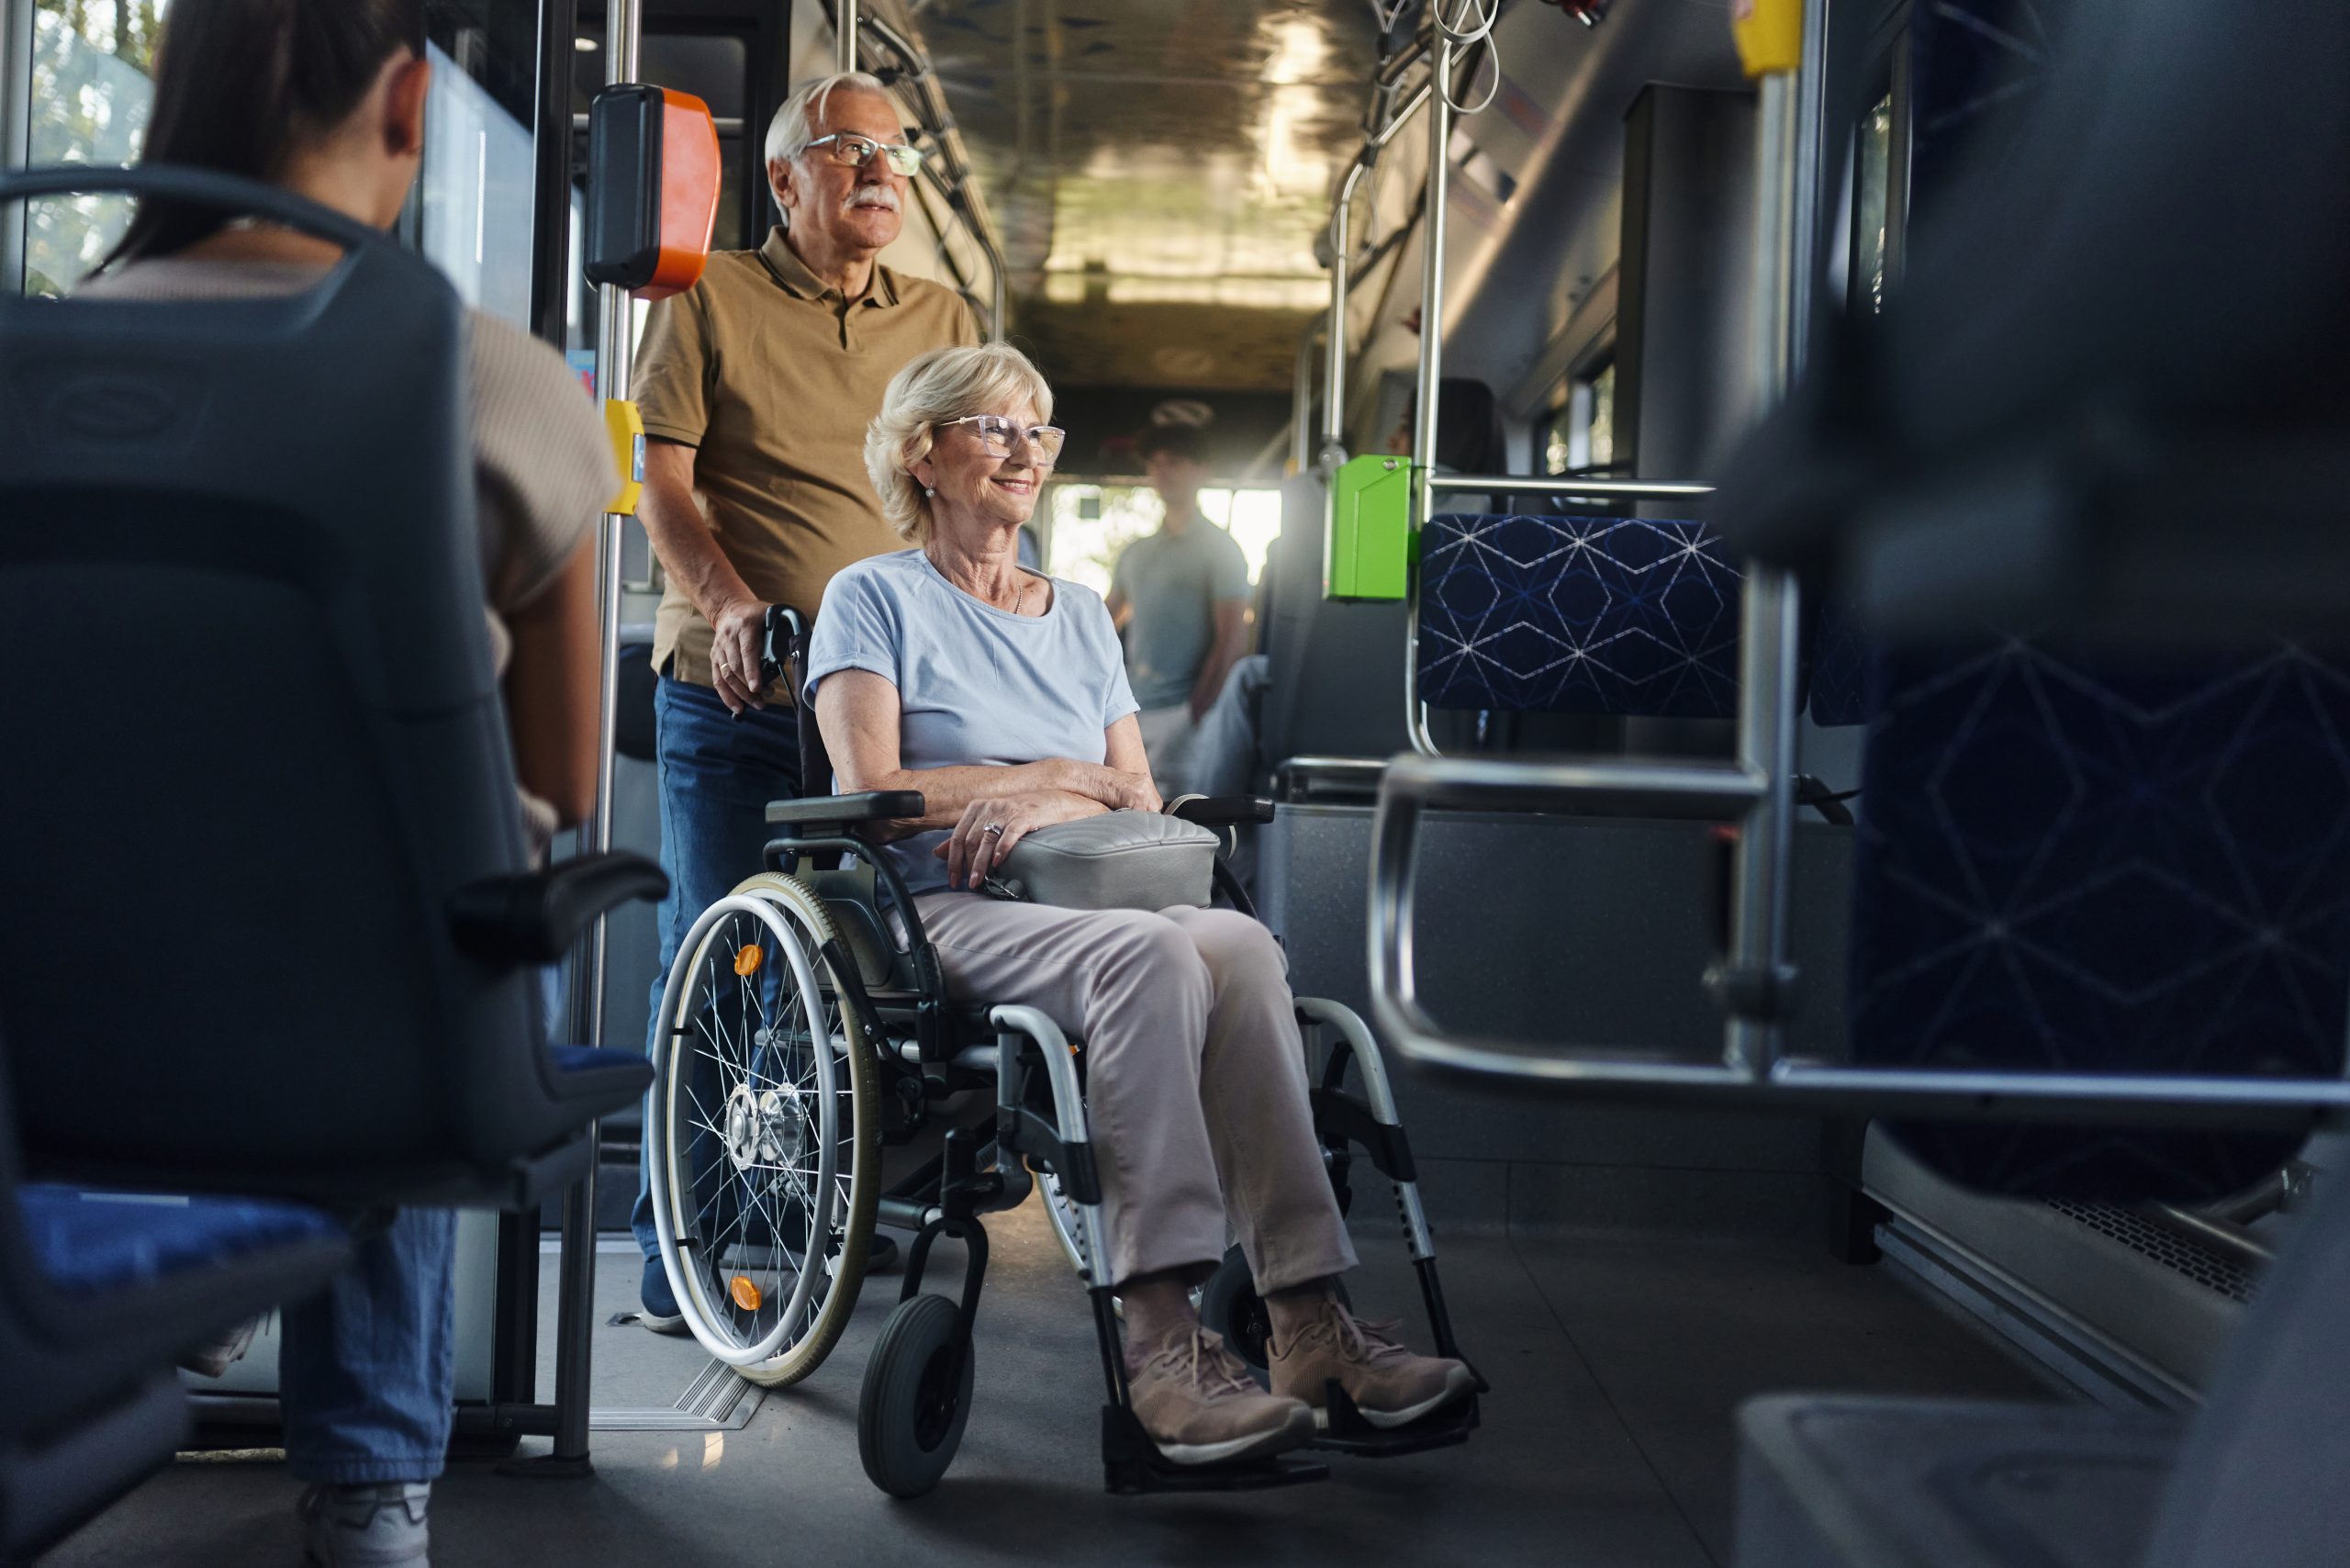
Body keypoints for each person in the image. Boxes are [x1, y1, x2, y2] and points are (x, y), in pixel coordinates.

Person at [80, 1, 613, 1562]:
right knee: (409, 902)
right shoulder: (492, 384)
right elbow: (563, 773)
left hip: (62, 994)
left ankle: (188, 1246)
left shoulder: (34, 359)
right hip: (363, 1012)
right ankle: (370, 1479)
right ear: (406, 108)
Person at [807, 343, 1476, 1464]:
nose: (1025, 452)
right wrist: (1036, 783)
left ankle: (1308, 1319)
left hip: (1091, 888)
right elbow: (872, 794)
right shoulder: (869, 598)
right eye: (994, 428)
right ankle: (1161, 1337)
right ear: (923, 454)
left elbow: (1136, 792)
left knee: (1240, 945)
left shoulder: (1074, 613)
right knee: (1150, 960)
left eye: (1039, 431)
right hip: (942, 907)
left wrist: (1048, 798)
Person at [627, 70, 978, 1323]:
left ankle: (799, 1216)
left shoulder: (939, 314)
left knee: (835, 983)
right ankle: (681, 1240)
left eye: (896, 153)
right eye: (847, 150)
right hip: (733, 697)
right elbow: (662, 485)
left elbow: (971, 492)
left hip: (872, 708)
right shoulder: (706, 296)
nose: (881, 172)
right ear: (782, 178)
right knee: (717, 964)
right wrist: (726, 604)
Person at [1105, 423, 1253, 798]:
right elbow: (1104, 623)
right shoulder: (1136, 552)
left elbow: (1233, 637)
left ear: (1200, 470)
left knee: (1181, 822)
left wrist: (1197, 712)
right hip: (1130, 714)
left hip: (1183, 713)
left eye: (1174, 462)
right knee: (1126, 821)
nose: (1161, 472)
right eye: (1155, 463)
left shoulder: (1221, 549)